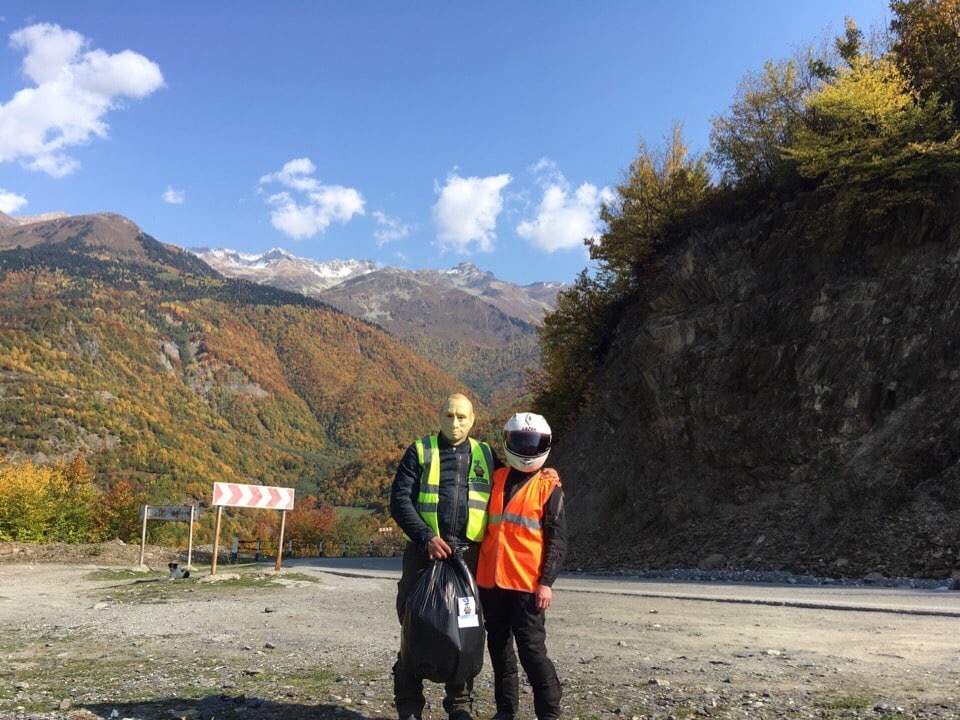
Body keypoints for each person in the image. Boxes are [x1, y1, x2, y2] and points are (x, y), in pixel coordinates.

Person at [390, 393, 496, 720]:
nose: (455, 423)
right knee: (414, 626)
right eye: (449, 415)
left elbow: (514, 484)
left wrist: (545, 478)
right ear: (438, 416)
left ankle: (460, 707)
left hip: (467, 561)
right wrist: (426, 538)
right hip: (424, 557)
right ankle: (409, 708)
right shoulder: (420, 451)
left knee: (464, 632)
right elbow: (399, 502)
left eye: (461, 417)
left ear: (473, 419)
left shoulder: (487, 454)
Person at [476, 412, 566, 720]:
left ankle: (550, 715)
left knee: (532, 654)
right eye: (521, 443)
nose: (527, 450)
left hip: (528, 586)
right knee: (500, 653)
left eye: (533, 444)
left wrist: (547, 583)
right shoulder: (495, 477)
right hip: (492, 582)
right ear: (508, 442)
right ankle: (505, 713)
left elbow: (557, 540)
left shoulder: (549, 487)